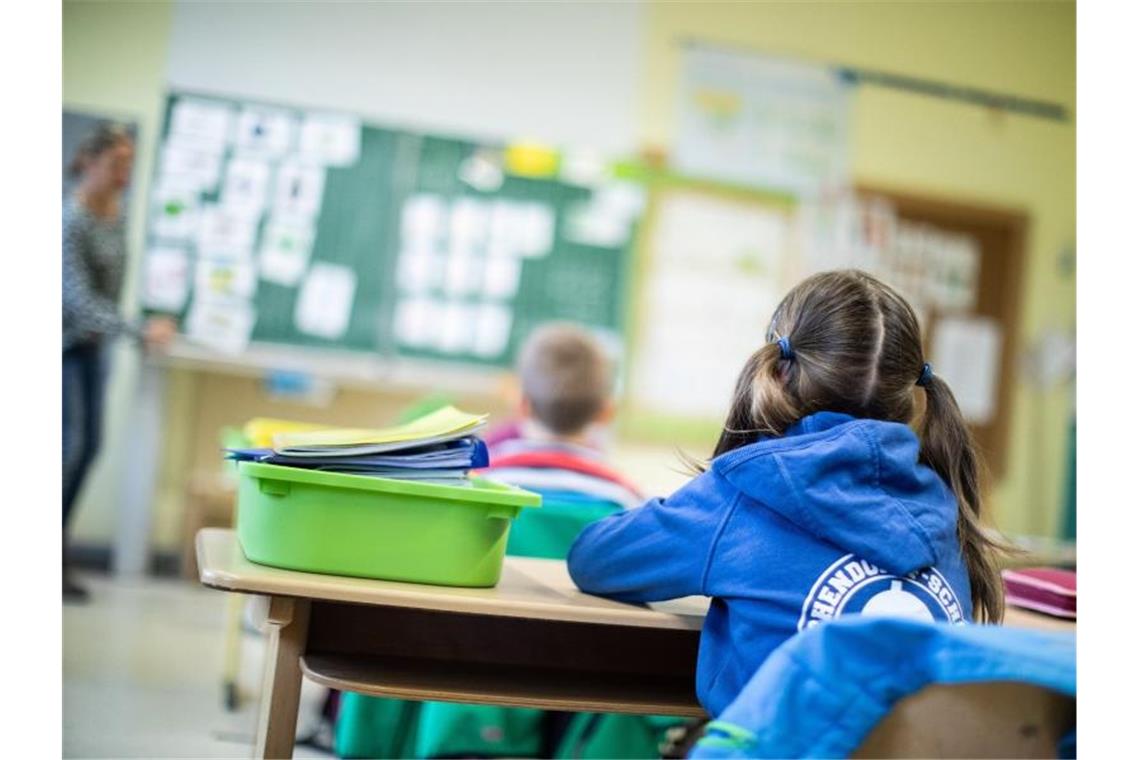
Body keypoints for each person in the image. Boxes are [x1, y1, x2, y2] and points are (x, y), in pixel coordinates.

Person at [566, 269, 1010, 719]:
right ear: (911, 395)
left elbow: (594, 559)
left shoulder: (743, 493)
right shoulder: (945, 507)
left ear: (778, 371)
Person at [63, 122, 176, 602]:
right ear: (89, 162)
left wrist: (135, 327)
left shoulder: (116, 213)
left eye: (130, 164)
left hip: (95, 348)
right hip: (63, 347)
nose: (124, 173)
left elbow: (111, 292)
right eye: (116, 164)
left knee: (87, 449)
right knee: (68, 453)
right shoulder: (70, 220)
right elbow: (78, 300)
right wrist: (139, 329)